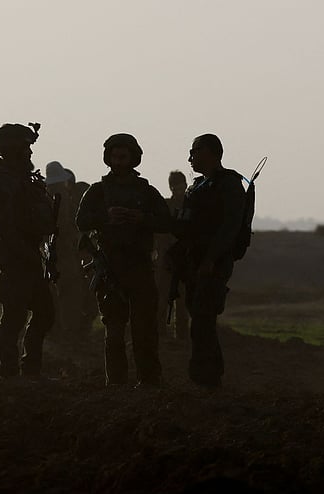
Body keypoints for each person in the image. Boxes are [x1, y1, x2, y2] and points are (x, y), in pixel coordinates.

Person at [76, 133, 172, 387]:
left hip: (139, 266)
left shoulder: (147, 192)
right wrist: (106, 216)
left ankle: (149, 381)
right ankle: (116, 384)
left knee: (144, 330)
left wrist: (141, 218)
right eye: (114, 157)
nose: (118, 162)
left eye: (123, 157)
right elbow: (81, 221)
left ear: (133, 159)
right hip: (110, 269)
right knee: (114, 331)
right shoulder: (97, 192)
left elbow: (167, 222)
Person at [0, 123, 56, 383]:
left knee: (45, 313)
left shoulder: (24, 177)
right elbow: (4, 226)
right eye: (25, 146)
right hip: (15, 255)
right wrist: (26, 254)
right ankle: (10, 374)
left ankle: (31, 370)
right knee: (14, 316)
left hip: (31, 252)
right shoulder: (3, 179)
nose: (29, 152)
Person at [173, 133, 246, 388]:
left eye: (196, 151)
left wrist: (211, 259)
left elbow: (230, 227)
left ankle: (207, 377)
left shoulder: (229, 185)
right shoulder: (197, 188)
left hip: (212, 262)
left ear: (213, 154)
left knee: (203, 319)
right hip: (194, 261)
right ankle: (207, 377)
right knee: (199, 317)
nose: (191, 157)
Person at [45, 161, 95, 341]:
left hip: (55, 256)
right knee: (71, 295)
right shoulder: (62, 199)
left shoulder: (46, 198)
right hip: (65, 255)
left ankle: (60, 332)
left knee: (58, 296)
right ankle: (69, 334)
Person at [155, 171, 190, 341]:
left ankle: (181, 336)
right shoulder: (165, 207)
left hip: (184, 260)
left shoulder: (191, 206)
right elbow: (160, 232)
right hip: (167, 259)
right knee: (162, 298)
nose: (179, 190)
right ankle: (160, 335)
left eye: (181, 185)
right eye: (176, 186)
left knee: (182, 301)